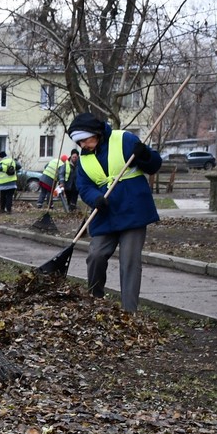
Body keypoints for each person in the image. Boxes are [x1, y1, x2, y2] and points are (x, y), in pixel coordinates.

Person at [67, 112, 162, 313]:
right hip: (105, 214)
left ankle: (129, 312)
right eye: (79, 142)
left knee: (129, 261)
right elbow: (84, 187)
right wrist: (95, 199)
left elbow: (153, 165)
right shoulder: (83, 160)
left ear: (96, 133)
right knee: (95, 255)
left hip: (133, 210)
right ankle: (95, 301)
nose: (82, 145)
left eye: (85, 140)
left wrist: (144, 154)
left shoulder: (124, 139)